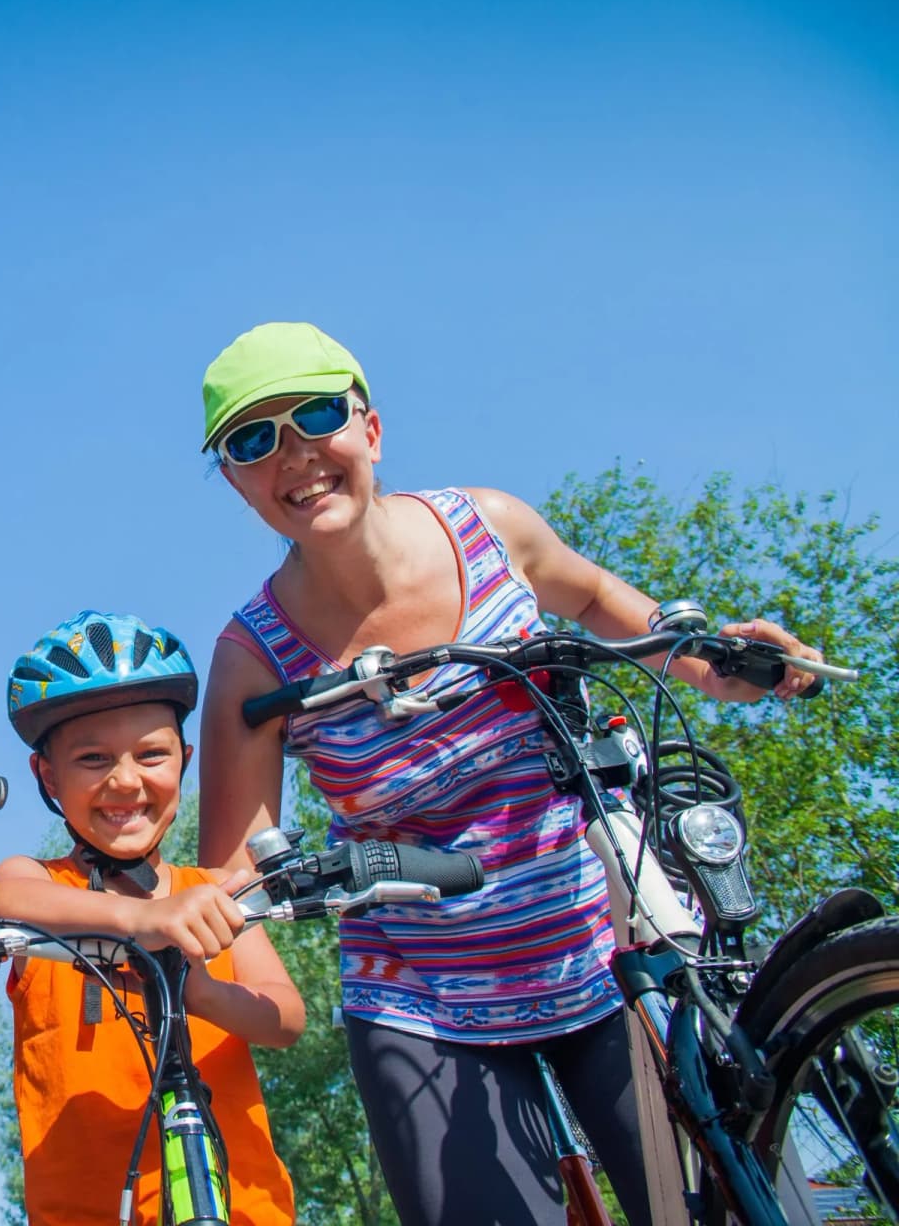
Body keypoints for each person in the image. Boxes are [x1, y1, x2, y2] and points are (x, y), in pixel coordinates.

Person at [192, 321, 826, 1226]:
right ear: (235, 480)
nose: (294, 454)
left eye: (316, 416)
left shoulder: (488, 525)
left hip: (609, 946)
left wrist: (716, 659)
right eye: (254, 440)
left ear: (369, 430)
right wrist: (174, 927)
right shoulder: (254, 661)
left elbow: (609, 607)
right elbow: (235, 865)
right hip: (426, 999)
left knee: (728, 1198)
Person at [0, 610, 301, 1226]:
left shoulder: (211, 891)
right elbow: (2, 903)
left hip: (242, 1205)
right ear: (47, 775)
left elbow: (285, 1017)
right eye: (93, 759)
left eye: (151, 754)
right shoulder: (43, 881)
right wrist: (141, 920)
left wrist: (200, 991)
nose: (125, 781)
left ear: (183, 759)